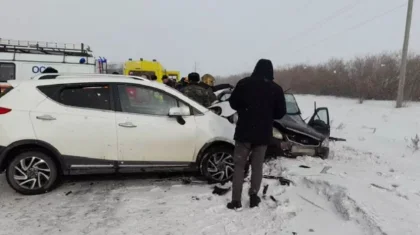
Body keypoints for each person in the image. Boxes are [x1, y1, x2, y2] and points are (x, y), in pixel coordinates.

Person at [227, 59, 287, 211]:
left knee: (239, 166)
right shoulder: (276, 89)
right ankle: (254, 196)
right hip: (262, 134)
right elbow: (281, 113)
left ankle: (236, 201)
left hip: (243, 133)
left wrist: (245, 108)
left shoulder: (243, 83)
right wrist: (267, 112)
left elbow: (232, 103)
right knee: (257, 166)